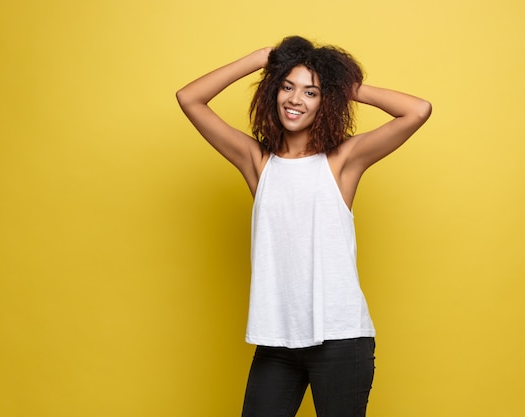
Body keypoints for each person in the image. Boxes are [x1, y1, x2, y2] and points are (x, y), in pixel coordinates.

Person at [176, 35, 431, 417]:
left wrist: (343, 86)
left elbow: (418, 110)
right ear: (273, 91)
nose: (295, 99)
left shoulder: (343, 160)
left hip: (342, 340)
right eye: (287, 86)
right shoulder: (258, 162)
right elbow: (189, 99)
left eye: (311, 92)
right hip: (277, 341)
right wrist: (263, 58)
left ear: (325, 102)